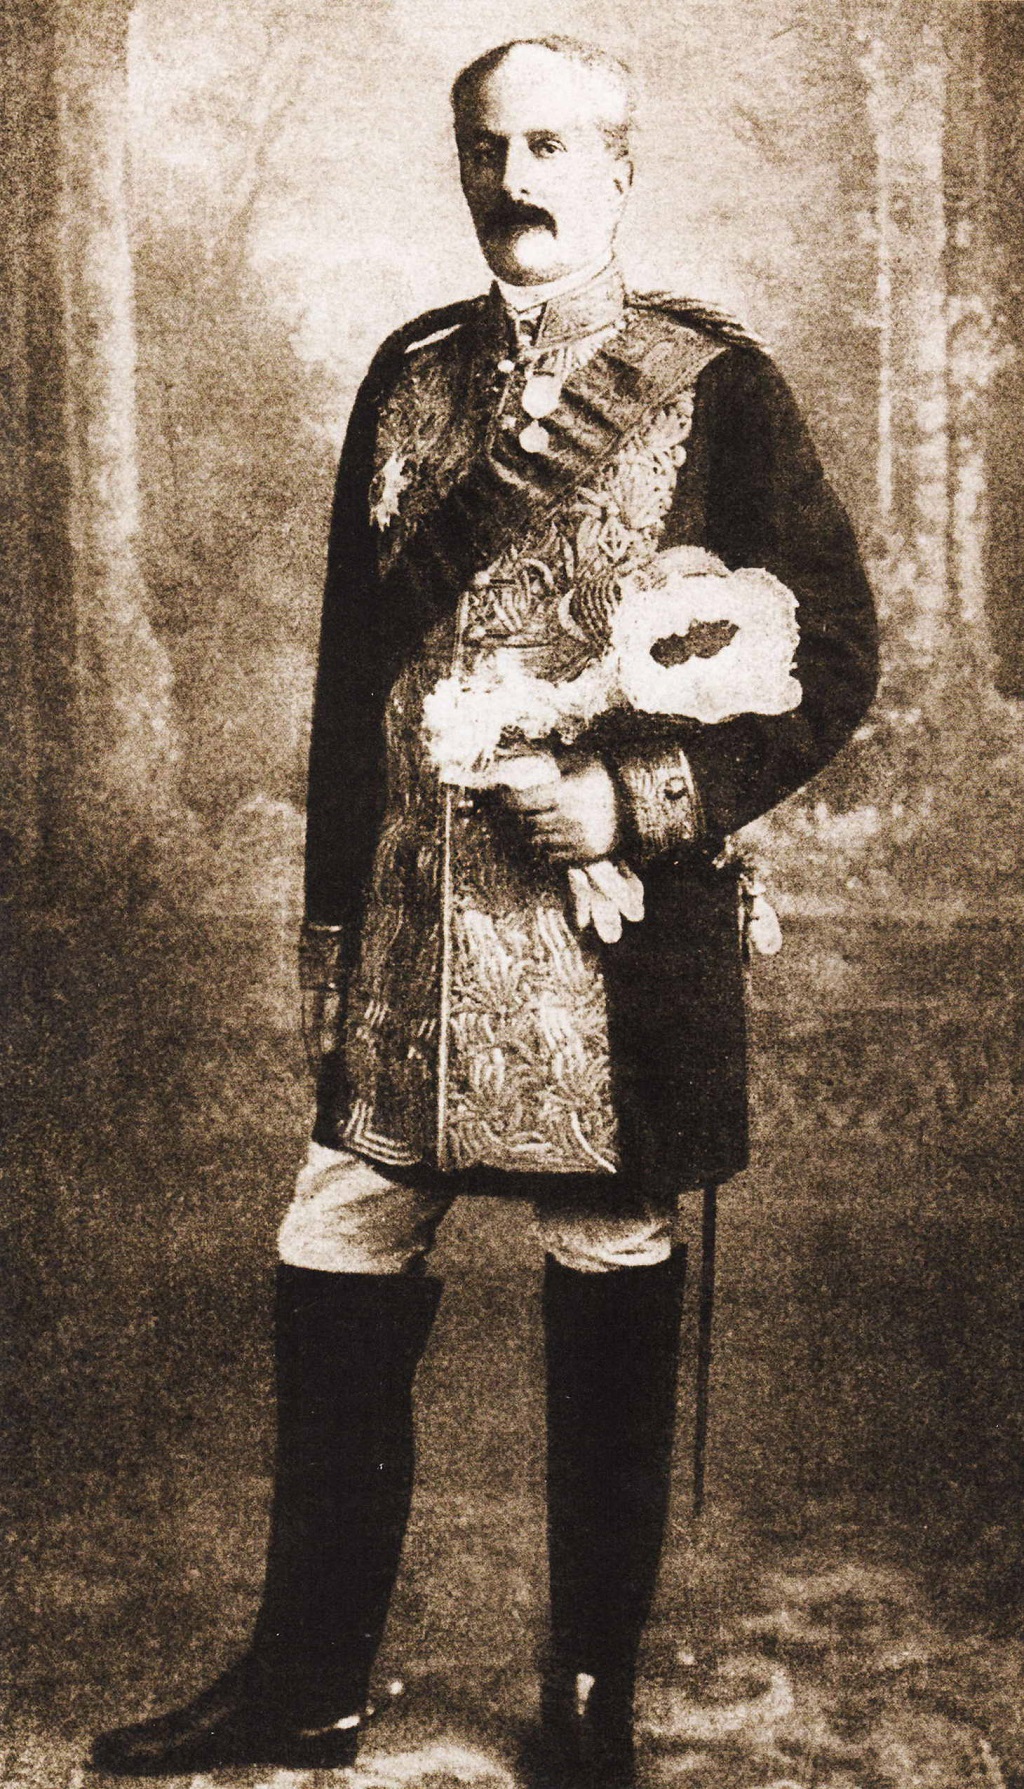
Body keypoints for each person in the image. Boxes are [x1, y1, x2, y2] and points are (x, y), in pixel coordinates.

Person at [90, 35, 878, 1785]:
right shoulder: (410, 375)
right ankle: (306, 1681)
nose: (515, 180)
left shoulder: (720, 387)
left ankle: (590, 1697)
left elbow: (833, 658)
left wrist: (638, 798)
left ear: (619, 166)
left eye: (552, 147)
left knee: (605, 1255)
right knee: (336, 1238)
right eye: (487, 147)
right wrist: (326, 928)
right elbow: (346, 681)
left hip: (613, 942)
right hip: (415, 934)